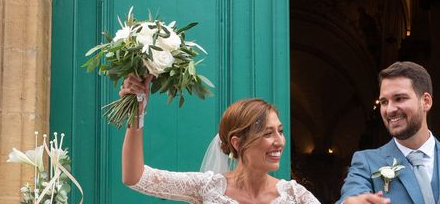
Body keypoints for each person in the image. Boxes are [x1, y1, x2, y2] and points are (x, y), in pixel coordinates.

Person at [120, 74, 320, 204]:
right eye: (268, 133)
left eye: (280, 131)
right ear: (237, 142)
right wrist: (137, 113)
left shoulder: (295, 195)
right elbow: (135, 178)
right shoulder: (208, 187)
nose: (280, 141)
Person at [337, 61, 440, 204]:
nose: (390, 109)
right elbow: (351, 195)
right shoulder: (366, 162)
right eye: (384, 102)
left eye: (399, 98)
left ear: (426, 101)